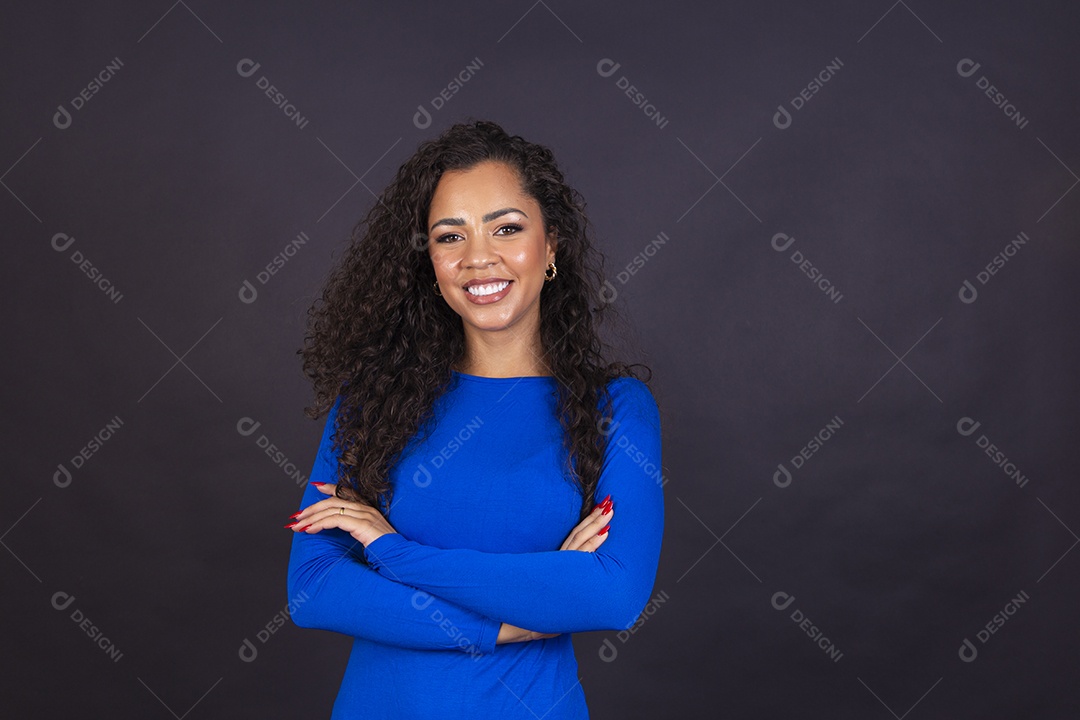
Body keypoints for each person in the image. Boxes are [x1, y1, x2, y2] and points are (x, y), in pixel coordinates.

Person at [284, 119, 664, 719]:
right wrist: (524, 612)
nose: (479, 259)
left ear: (552, 244)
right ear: (428, 260)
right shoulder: (370, 399)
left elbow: (613, 596)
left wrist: (390, 549)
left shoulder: (615, 408)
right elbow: (314, 590)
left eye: (506, 228)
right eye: (449, 237)